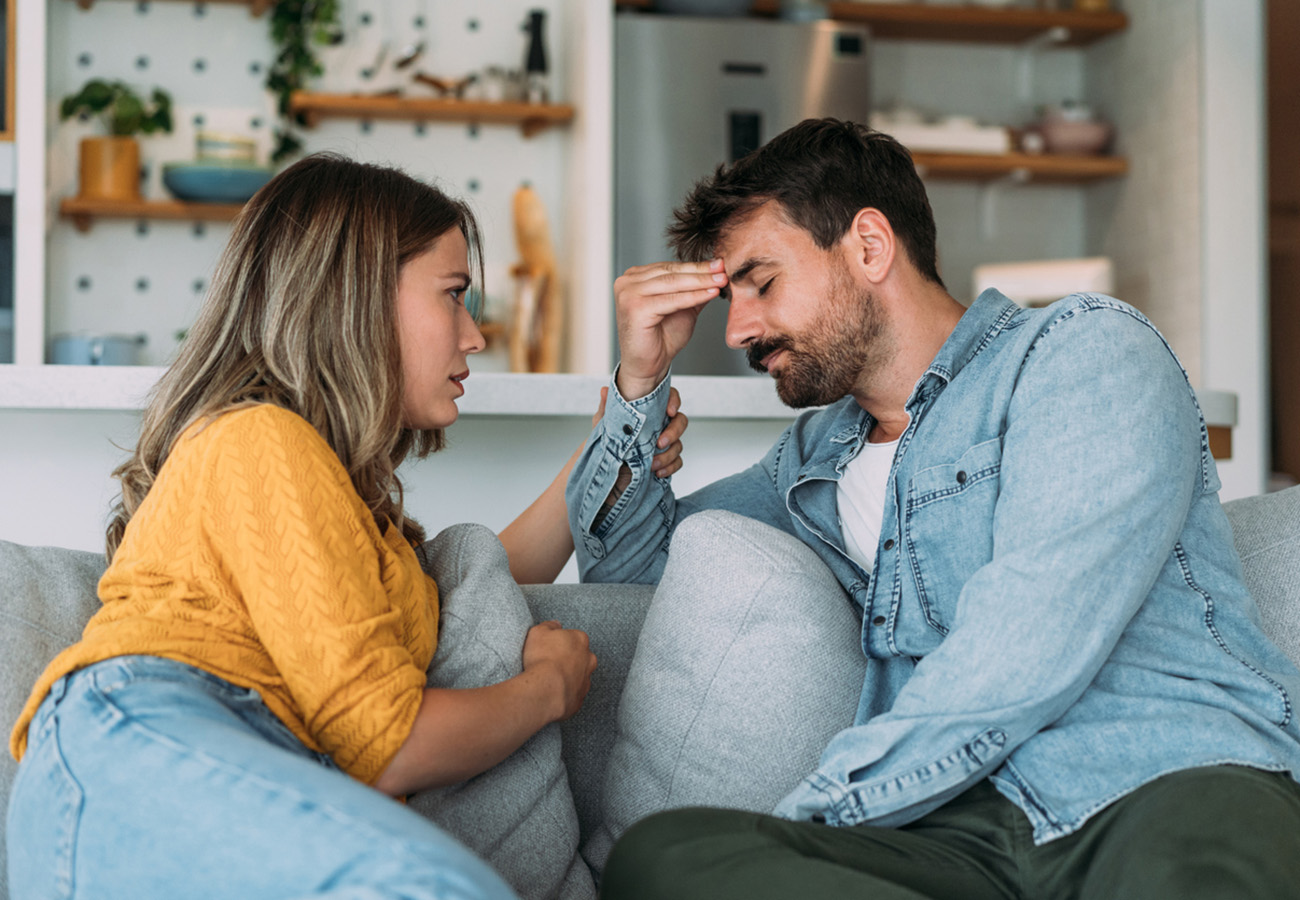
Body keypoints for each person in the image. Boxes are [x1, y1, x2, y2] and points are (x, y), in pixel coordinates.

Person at [564, 118, 1300, 899]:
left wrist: (822, 814)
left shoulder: (1082, 350)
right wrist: (639, 384)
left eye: (763, 282)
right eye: (729, 300)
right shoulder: (815, 456)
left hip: (1156, 781)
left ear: (871, 246)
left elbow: (1028, 641)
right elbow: (632, 574)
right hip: (957, 833)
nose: (740, 330)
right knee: (668, 857)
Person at [5, 153, 687, 900]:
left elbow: (486, 574)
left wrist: (621, 422)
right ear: (356, 298)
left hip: (198, 761)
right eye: (454, 296)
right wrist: (546, 691)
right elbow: (388, 744)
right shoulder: (257, 438)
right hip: (145, 742)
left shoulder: (354, 518)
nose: (474, 336)